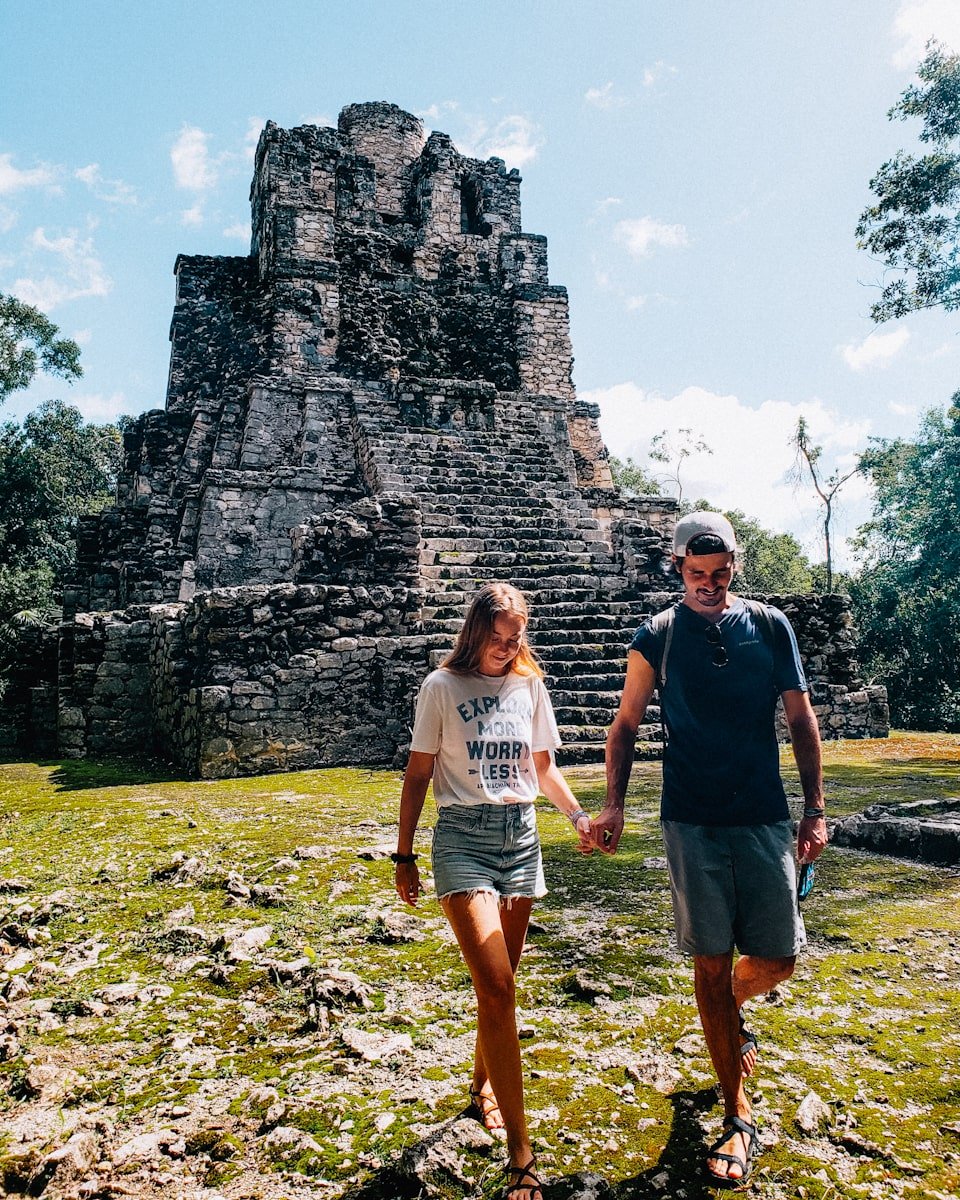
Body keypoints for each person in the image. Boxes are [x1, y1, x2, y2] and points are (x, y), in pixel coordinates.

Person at [592, 512, 828, 1186]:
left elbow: (801, 718)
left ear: (736, 565)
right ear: (677, 567)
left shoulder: (770, 625)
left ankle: (727, 1018)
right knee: (709, 965)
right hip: (690, 820)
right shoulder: (658, 636)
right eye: (697, 575)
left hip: (760, 813)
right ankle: (737, 1113)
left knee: (777, 959)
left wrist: (814, 810)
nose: (709, 585)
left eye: (721, 574)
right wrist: (612, 803)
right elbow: (626, 724)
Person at [394, 582, 592, 1200]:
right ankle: (520, 1155)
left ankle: (481, 1086)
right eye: (498, 637)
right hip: (463, 839)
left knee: (498, 986)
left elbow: (542, 768)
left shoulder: (530, 686)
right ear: (476, 630)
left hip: (523, 837)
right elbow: (418, 774)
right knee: (499, 984)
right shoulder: (441, 689)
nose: (507, 648)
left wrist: (580, 818)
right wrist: (402, 855)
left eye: (516, 638)